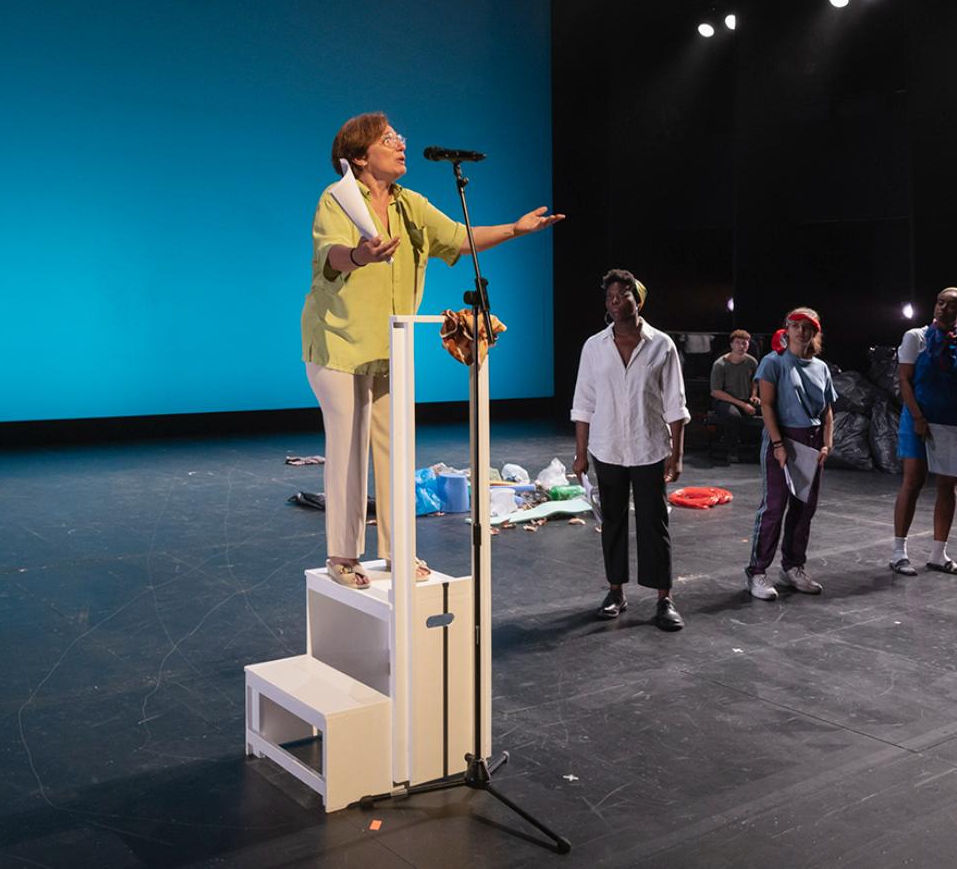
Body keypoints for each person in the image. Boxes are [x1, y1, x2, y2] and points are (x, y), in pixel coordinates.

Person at [302, 112, 562, 589]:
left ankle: (398, 550)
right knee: (348, 449)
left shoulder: (410, 204)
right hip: (338, 344)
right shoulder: (336, 198)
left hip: (390, 345)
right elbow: (330, 256)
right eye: (388, 139)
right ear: (359, 157)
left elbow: (459, 239)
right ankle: (343, 556)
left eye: (398, 136)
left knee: (396, 450)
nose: (400, 144)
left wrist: (516, 229)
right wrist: (360, 255)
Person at [571, 270, 689, 630]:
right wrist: (580, 453)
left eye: (623, 294)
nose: (615, 301)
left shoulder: (661, 345)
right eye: (610, 296)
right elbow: (584, 403)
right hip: (607, 447)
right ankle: (616, 592)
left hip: (649, 446)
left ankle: (664, 598)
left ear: (638, 299)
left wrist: (677, 455)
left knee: (655, 522)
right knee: (613, 522)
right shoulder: (594, 347)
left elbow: (675, 403)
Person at [890, 287, 957, 576]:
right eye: (940, 302)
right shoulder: (916, 337)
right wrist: (918, 417)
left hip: (952, 423)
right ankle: (898, 552)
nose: (942, 308)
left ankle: (938, 554)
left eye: (950, 305)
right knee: (913, 481)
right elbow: (904, 380)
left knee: (949, 487)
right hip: (919, 419)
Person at [746, 308, 835, 600]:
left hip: (812, 442)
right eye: (796, 326)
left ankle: (793, 566)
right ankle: (757, 571)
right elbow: (767, 405)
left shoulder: (821, 368)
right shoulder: (773, 362)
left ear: (815, 332)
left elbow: (827, 411)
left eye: (807, 327)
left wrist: (826, 443)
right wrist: (778, 444)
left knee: (804, 509)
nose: (801, 331)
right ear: (787, 329)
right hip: (784, 438)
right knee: (774, 506)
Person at [707, 329, 761, 463]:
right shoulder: (720, 364)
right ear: (731, 344)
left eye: (744, 343)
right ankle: (732, 451)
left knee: (768, 410)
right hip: (724, 400)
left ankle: (760, 450)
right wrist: (743, 405)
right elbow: (716, 391)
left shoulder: (752, 362)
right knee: (733, 416)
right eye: (738, 343)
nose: (741, 346)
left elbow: (755, 381)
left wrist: (754, 396)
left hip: (745, 398)